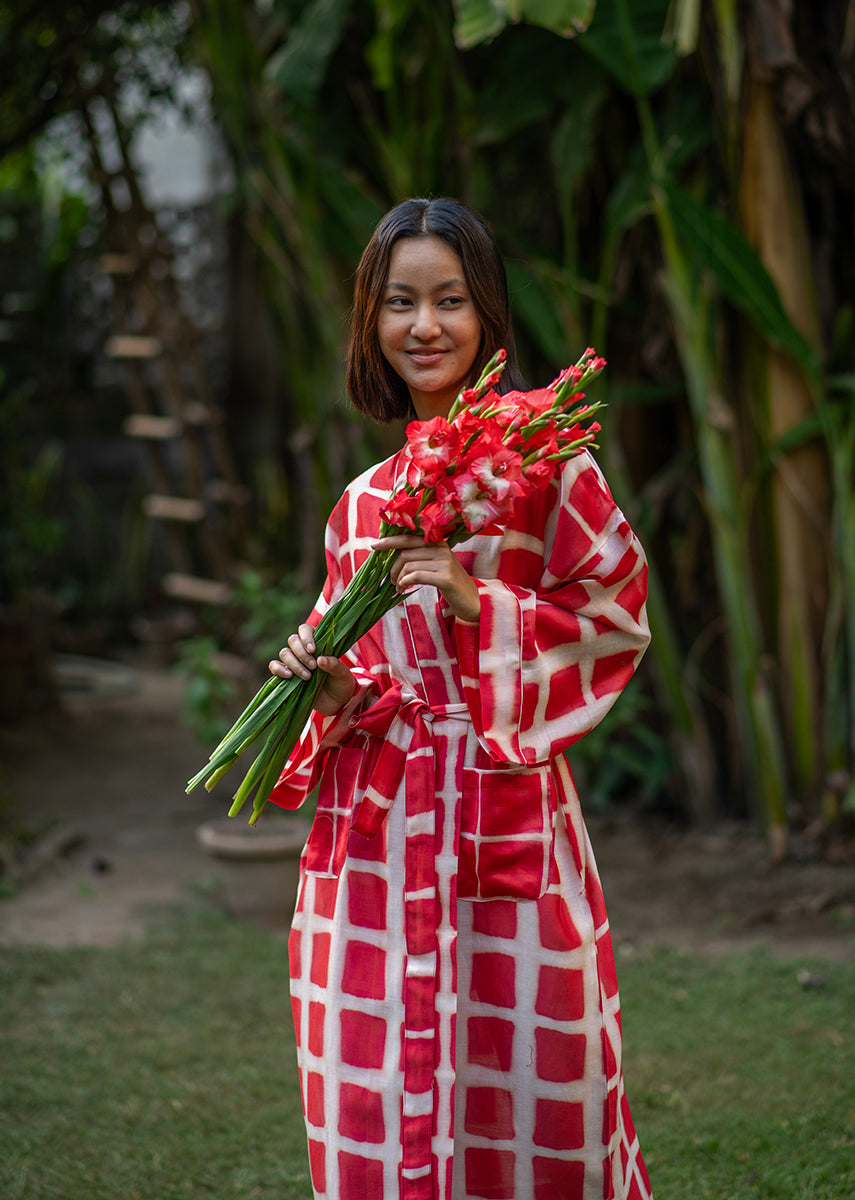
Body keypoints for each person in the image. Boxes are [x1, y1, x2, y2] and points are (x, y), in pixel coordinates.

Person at [267, 197, 653, 1200]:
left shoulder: (546, 463)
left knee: (540, 1083)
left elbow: (615, 616)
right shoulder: (359, 503)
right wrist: (328, 682)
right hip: (377, 848)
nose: (424, 326)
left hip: (505, 813)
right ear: (371, 320)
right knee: (375, 1092)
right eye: (400, 302)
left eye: (449, 300)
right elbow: (364, 689)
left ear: (487, 314)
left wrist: (478, 596)